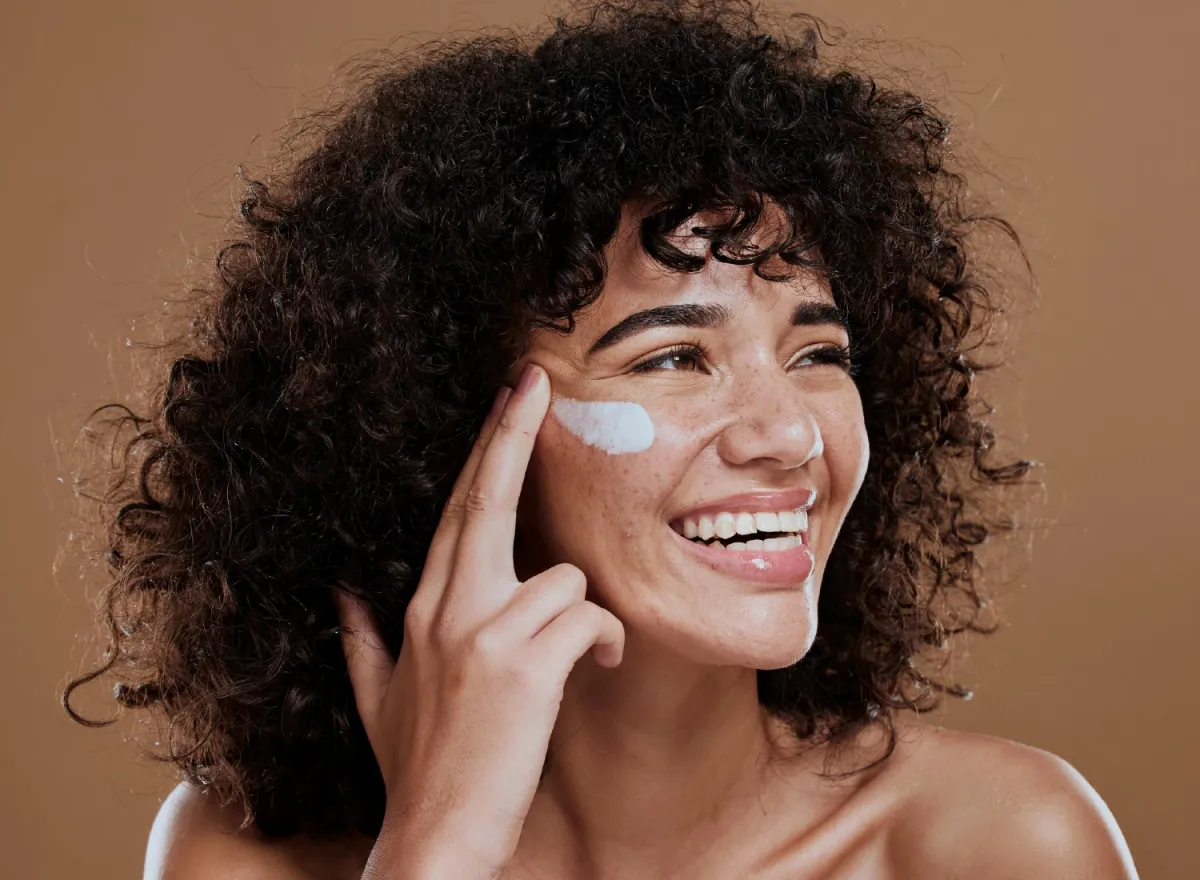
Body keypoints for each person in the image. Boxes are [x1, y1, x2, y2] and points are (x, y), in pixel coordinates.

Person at [64, 0, 1139, 876]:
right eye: (674, 357)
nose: (787, 435)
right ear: (440, 423)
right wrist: (432, 853)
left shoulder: (997, 845)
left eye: (817, 352)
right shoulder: (245, 856)